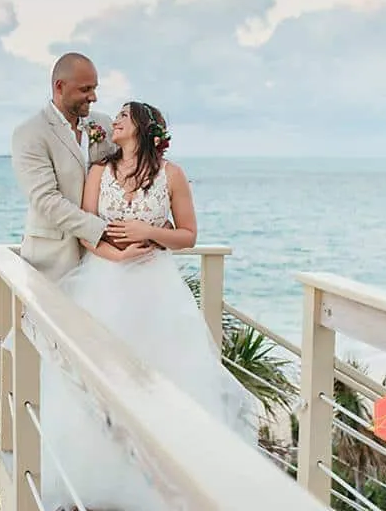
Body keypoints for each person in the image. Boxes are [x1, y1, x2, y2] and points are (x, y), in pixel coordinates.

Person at [36, 101, 259, 511]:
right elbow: (87, 231)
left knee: (160, 380)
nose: (114, 120)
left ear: (141, 127)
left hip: (157, 290)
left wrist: (149, 231)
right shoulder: (98, 173)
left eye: (123, 115)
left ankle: (160, 485)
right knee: (99, 383)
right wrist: (116, 256)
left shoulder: (171, 176)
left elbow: (188, 235)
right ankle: (102, 481)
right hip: (103, 284)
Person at [10, 52, 151, 281]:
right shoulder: (30, 133)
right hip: (53, 259)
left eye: (95, 88)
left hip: (105, 263)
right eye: (85, 90)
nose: (93, 97)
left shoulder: (104, 124)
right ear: (60, 86)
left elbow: (130, 168)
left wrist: (153, 217)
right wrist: (104, 232)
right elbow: (47, 201)